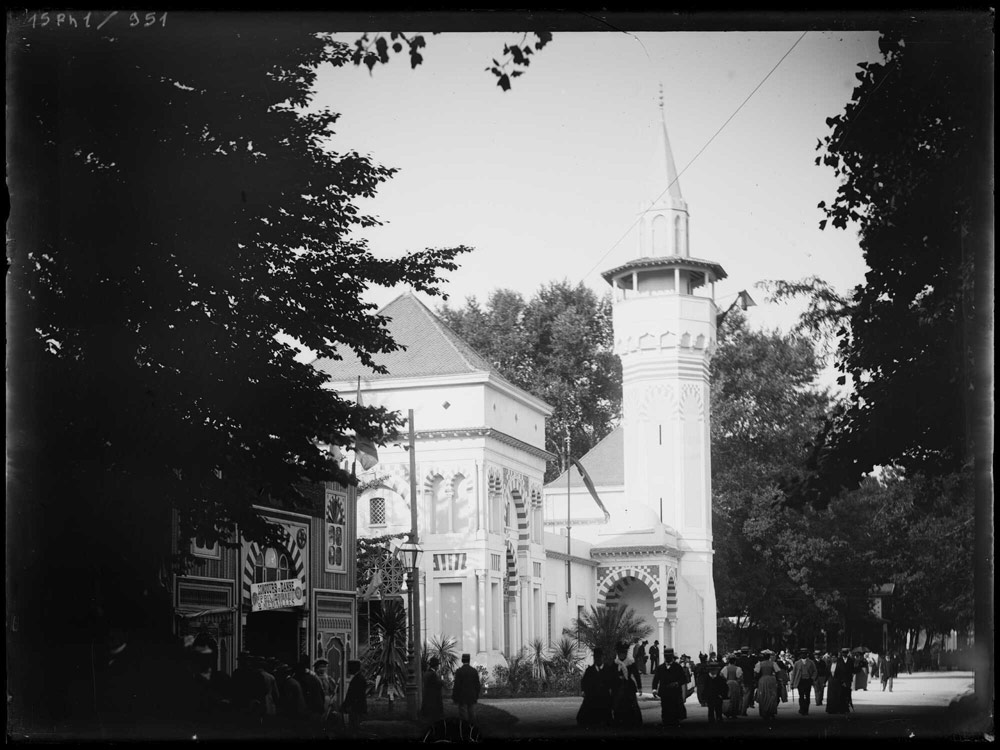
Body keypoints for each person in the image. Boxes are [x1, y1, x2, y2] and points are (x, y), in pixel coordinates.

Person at [651, 647, 686, 728]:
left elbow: (683, 679)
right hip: (664, 693)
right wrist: (654, 689)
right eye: (666, 656)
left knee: (675, 710)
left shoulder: (678, 667)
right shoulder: (660, 668)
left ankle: (675, 725)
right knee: (665, 709)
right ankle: (666, 725)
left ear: (672, 656)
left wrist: (677, 683)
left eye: (669, 656)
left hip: (675, 693)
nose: (667, 657)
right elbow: (656, 679)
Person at [577, 648, 612, 726]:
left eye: (600, 657)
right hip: (592, 696)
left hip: (604, 697)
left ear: (603, 658)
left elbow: (611, 682)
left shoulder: (608, 669)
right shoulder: (589, 670)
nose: (598, 659)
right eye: (596, 657)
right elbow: (584, 681)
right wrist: (583, 690)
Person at [611, 642, 643, 727]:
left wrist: (639, 687)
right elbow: (611, 676)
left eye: (624, 653)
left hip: (628, 686)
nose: (622, 655)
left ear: (625, 653)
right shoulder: (615, 663)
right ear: (618, 654)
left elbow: (636, 675)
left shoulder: (630, 663)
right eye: (620, 653)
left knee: (631, 705)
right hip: (617, 687)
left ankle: (631, 722)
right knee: (617, 704)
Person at [452, 653, 481, 724]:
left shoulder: (459, 671)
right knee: (472, 713)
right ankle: (473, 728)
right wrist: (476, 695)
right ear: (469, 660)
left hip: (462, 696)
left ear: (462, 660)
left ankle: (464, 729)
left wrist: (455, 697)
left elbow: (457, 685)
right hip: (472, 695)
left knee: (463, 714)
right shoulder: (474, 671)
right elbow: (477, 685)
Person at [753, 650, 781, 725]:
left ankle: (764, 711)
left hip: (763, 680)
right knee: (772, 695)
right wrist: (777, 679)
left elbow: (756, 673)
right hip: (771, 680)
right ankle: (771, 711)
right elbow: (778, 671)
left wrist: (756, 680)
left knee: (763, 695)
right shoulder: (773, 663)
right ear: (769, 657)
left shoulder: (759, 664)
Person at [341, 660, 368, 736]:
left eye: (349, 667)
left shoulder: (358, 679)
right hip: (357, 707)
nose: (348, 669)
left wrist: (345, 705)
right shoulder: (358, 678)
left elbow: (352, 695)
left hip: (356, 708)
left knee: (355, 728)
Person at [825, 648, 853, 714]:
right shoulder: (830, 665)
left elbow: (844, 672)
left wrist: (843, 681)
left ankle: (842, 708)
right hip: (831, 682)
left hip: (839, 681)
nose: (833, 659)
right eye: (832, 657)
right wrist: (825, 682)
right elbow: (827, 674)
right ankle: (831, 709)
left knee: (840, 695)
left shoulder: (843, 663)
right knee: (831, 696)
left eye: (834, 657)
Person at [790, 648, 817, 715]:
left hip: (808, 680)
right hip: (800, 681)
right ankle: (802, 708)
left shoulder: (811, 662)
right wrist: (792, 683)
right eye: (802, 653)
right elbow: (794, 673)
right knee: (801, 695)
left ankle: (806, 709)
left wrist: (812, 678)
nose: (803, 655)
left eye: (804, 653)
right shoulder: (797, 663)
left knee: (807, 695)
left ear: (807, 654)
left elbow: (815, 671)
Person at [421, 656, 445, 723]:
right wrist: (442, 681)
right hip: (434, 697)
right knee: (434, 717)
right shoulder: (433, 674)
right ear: (435, 666)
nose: (438, 667)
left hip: (427, 696)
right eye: (437, 665)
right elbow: (437, 684)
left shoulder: (426, 673)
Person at [721, 654, 743, 719]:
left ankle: (728, 711)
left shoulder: (725, 668)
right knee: (735, 698)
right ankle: (734, 712)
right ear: (735, 661)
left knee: (728, 698)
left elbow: (721, 675)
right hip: (735, 684)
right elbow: (740, 677)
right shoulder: (738, 668)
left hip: (727, 683)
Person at [736, 646, 756, 716]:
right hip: (748, 680)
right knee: (746, 695)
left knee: (739, 695)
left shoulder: (738, 660)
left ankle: (738, 709)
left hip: (738, 679)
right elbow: (752, 670)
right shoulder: (750, 660)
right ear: (748, 652)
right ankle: (743, 711)